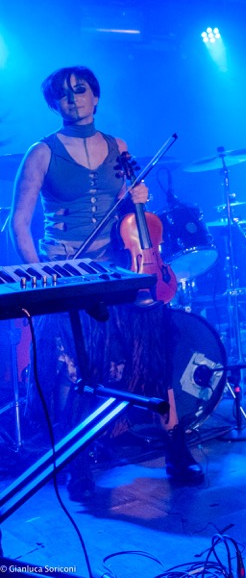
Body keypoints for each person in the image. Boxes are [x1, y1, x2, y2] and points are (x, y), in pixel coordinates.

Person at [9, 66, 203, 499]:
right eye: (63, 94)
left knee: (154, 356)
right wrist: (40, 275)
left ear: (95, 97)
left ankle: (176, 449)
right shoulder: (42, 152)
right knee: (73, 370)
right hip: (68, 270)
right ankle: (77, 463)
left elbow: (127, 216)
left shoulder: (119, 146)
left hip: (119, 266)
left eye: (81, 90)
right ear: (54, 104)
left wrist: (136, 200)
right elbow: (18, 224)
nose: (73, 98)